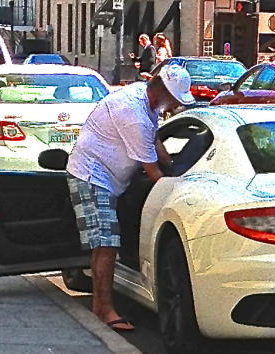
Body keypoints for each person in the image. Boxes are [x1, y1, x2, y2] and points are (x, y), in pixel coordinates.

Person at [66, 65, 195, 331]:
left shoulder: (141, 96)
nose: (174, 106)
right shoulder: (133, 113)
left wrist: (174, 165)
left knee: (105, 244)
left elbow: (154, 139)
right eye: (174, 99)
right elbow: (151, 169)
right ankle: (104, 310)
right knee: (106, 244)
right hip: (93, 176)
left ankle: (101, 306)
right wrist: (178, 187)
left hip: (104, 178)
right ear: (162, 93)